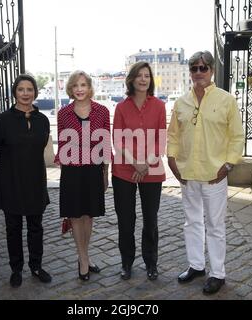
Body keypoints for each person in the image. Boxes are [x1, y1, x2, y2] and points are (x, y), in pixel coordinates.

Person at [167, 51, 244, 294]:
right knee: (191, 222)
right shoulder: (181, 102)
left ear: (211, 70)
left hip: (214, 175)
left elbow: (237, 137)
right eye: (194, 68)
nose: (198, 73)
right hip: (187, 173)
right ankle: (196, 265)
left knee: (215, 225)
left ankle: (218, 273)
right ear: (190, 72)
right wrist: (171, 159)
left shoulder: (226, 100)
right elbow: (173, 135)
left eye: (203, 68)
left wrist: (228, 165)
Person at [0, 74, 52, 288]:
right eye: (21, 89)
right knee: (13, 228)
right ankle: (16, 269)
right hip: (11, 181)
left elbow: (41, 147)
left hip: (35, 181)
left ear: (35, 92)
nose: (25, 93)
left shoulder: (43, 120)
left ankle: (36, 266)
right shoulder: (3, 120)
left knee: (36, 227)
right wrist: (2, 175)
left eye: (30, 89)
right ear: (15, 92)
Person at [112, 61, 166, 281]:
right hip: (124, 169)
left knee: (150, 220)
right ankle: (126, 262)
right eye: (139, 75)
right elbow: (117, 139)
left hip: (151, 169)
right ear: (132, 80)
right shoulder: (121, 107)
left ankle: (151, 262)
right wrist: (136, 163)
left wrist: (146, 164)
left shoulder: (160, 106)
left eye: (147, 75)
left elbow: (161, 140)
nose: (144, 79)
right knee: (126, 220)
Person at [55, 70, 111, 281]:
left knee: (89, 215)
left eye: (83, 85)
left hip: (93, 169)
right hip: (72, 171)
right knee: (75, 215)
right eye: (76, 85)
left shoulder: (102, 111)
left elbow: (105, 143)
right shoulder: (63, 114)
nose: (79, 89)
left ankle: (83, 257)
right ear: (71, 89)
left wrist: (106, 173)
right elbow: (62, 144)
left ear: (89, 88)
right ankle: (84, 259)